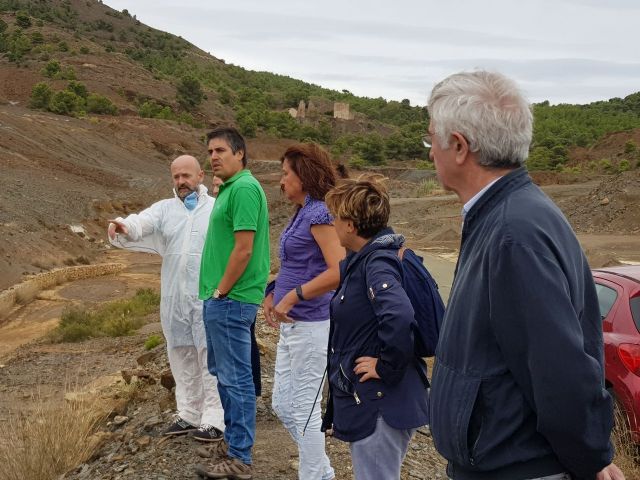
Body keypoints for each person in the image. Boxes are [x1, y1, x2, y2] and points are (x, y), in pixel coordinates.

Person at [425, 71, 624, 480]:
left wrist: (593, 457)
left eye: (432, 140)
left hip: (517, 469)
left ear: (459, 146)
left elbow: (558, 366)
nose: (430, 154)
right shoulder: (506, 215)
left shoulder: (513, 233)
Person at [107, 155, 224, 441]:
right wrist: (124, 225)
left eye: (186, 176)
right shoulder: (165, 210)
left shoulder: (216, 209)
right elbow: (141, 222)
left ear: (200, 176)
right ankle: (187, 414)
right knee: (181, 355)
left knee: (209, 357)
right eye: (176, 177)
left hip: (207, 297)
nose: (181, 182)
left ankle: (214, 420)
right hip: (175, 300)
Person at [321, 175, 429, 480]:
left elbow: (398, 315)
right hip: (378, 404)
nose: (332, 224)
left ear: (351, 226)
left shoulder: (376, 264)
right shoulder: (363, 261)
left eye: (335, 218)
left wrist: (386, 367)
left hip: (381, 405)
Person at [263, 143, 344, 480]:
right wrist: (272, 291)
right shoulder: (302, 211)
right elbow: (297, 264)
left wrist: (293, 296)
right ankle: (322, 470)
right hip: (293, 326)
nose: (281, 181)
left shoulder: (320, 213)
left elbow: (339, 269)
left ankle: (315, 475)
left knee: (304, 410)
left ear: (304, 176)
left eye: (285, 174)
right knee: (283, 405)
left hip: (313, 325)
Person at [196, 127, 270, 480]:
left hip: (230, 299)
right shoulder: (231, 188)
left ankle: (240, 456)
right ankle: (233, 442)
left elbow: (244, 248)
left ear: (240, 153)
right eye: (210, 151)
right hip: (225, 299)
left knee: (236, 379)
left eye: (221, 150)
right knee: (225, 376)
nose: (213, 156)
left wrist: (221, 291)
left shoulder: (243, 188)